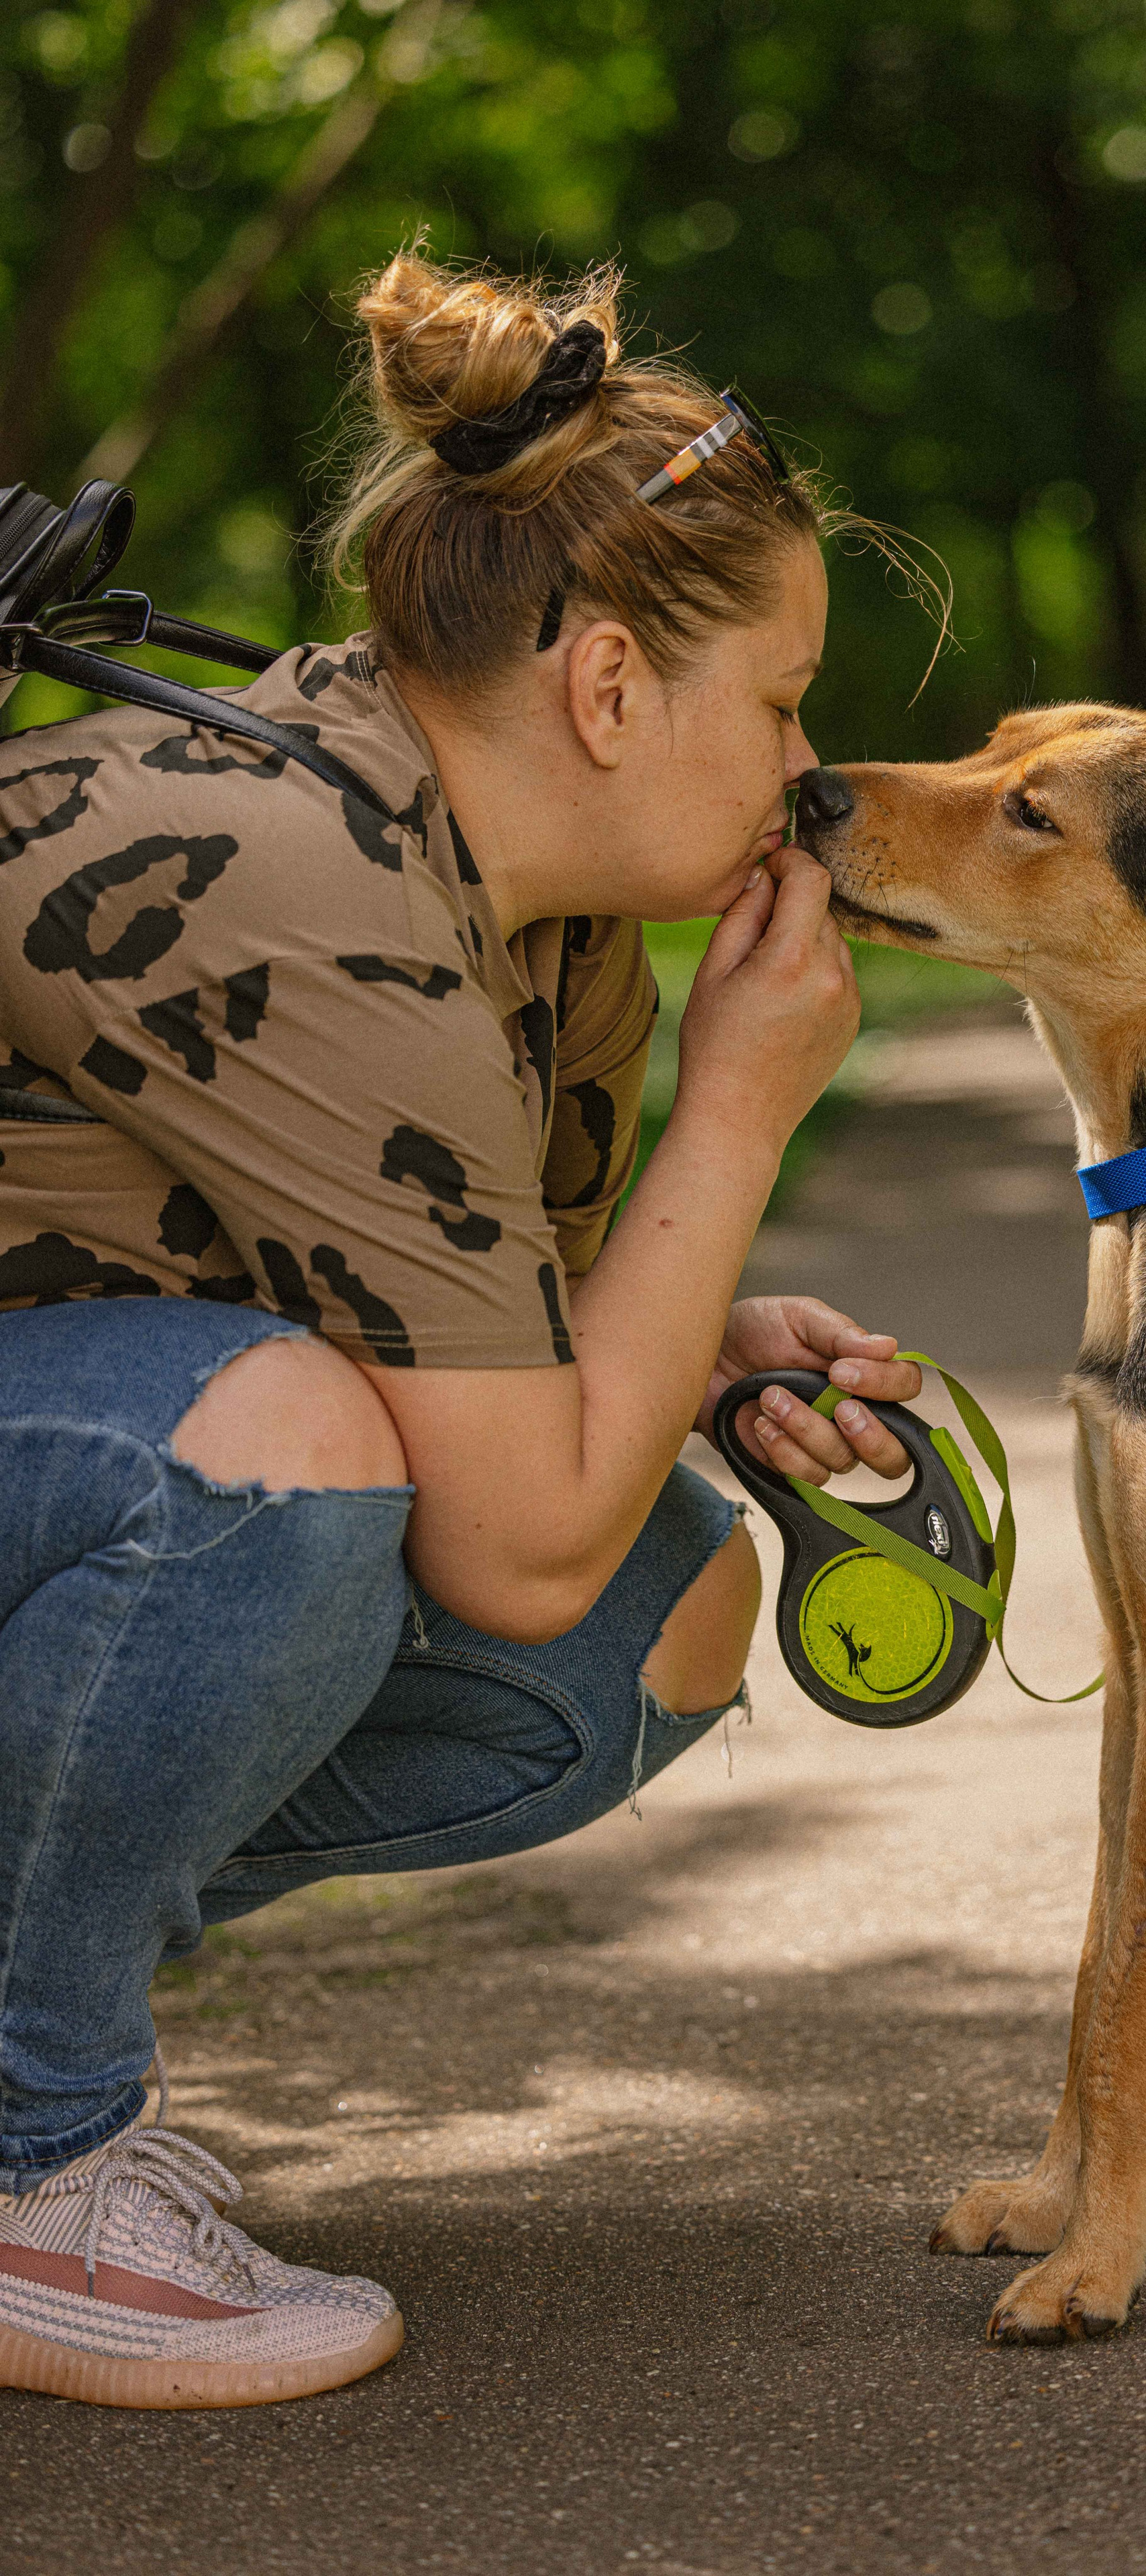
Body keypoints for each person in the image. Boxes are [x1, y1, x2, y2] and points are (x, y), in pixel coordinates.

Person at [0, 252, 924, 2411]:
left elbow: (518, 1424)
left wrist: (691, 1337)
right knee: (272, 1461)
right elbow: (506, 1536)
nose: (808, 771)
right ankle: (29, 2161)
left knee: (658, 1611)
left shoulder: (544, 932)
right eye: (783, 703)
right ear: (608, 687)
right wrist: (743, 1112)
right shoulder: (291, 875)